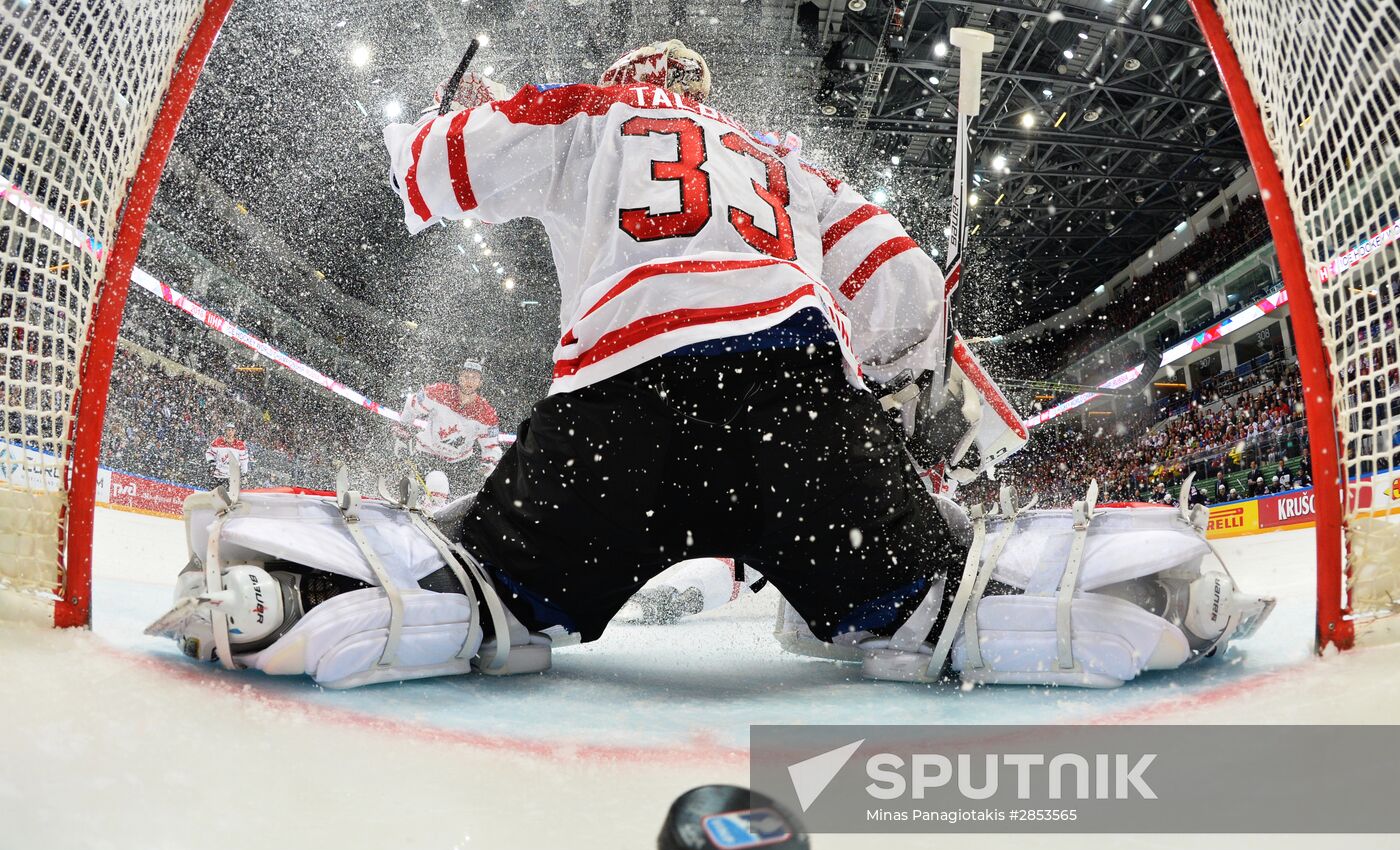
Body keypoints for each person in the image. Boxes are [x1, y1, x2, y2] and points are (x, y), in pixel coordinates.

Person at [147, 40, 1273, 690]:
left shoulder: (582, 112)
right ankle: (1153, 590)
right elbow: (905, 295)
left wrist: (443, 122)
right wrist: (893, 400)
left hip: (611, 424)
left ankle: (291, 592)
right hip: (793, 419)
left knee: (483, 589)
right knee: (941, 598)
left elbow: (426, 172)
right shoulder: (778, 160)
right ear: (697, 93)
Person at [394, 359, 502, 494]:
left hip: (459, 464)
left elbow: (491, 446)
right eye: (466, 376)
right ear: (459, 377)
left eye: (474, 378)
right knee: (436, 484)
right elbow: (412, 404)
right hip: (427, 453)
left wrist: (489, 463)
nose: (469, 381)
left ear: (480, 382)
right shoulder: (439, 393)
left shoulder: (486, 413)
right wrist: (402, 433)